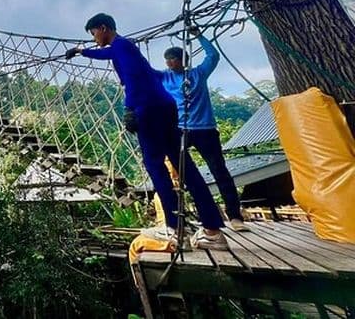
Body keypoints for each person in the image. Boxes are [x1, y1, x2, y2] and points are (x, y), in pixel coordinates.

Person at [65, 13, 227, 250]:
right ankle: (212, 230)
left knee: (155, 167)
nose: (93, 38)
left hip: (147, 110)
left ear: (103, 28)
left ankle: (175, 229)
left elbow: (131, 79)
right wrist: (81, 51)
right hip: (165, 106)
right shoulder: (124, 47)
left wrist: (130, 109)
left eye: (93, 33)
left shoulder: (121, 47)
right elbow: (106, 54)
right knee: (183, 165)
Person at [159, 29, 247, 232]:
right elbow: (145, 73)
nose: (169, 63)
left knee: (220, 171)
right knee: (183, 173)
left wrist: (199, 35)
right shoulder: (166, 78)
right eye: (167, 59)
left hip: (206, 129)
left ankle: (235, 217)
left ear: (182, 59)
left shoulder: (198, 73)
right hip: (181, 130)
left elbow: (213, 56)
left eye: (172, 58)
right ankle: (195, 214)